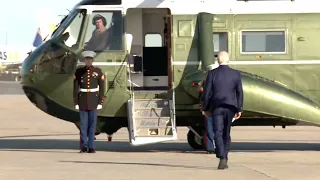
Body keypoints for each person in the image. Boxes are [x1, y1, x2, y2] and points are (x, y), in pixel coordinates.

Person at [202, 51, 243, 169]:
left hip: (217, 107)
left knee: (217, 132)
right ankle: (224, 155)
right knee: (226, 132)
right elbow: (239, 92)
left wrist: (205, 108)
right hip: (230, 107)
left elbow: (206, 93)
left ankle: (222, 156)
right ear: (228, 60)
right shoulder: (236, 74)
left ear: (218, 60)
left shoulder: (212, 74)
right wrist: (239, 108)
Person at [73, 50, 105, 153]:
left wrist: (100, 102)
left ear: (92, 60)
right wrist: (76, 102)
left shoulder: (98, 71)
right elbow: (75, 88)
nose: (88, 62)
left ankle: (91, 146)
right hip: (82, 100)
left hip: (93, 101)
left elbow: (102, 88)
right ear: (84, 60)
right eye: (86, 60)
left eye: (90, 60)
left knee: (92, 125)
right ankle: (83, 146)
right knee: (83, 125)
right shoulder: (79, 72)